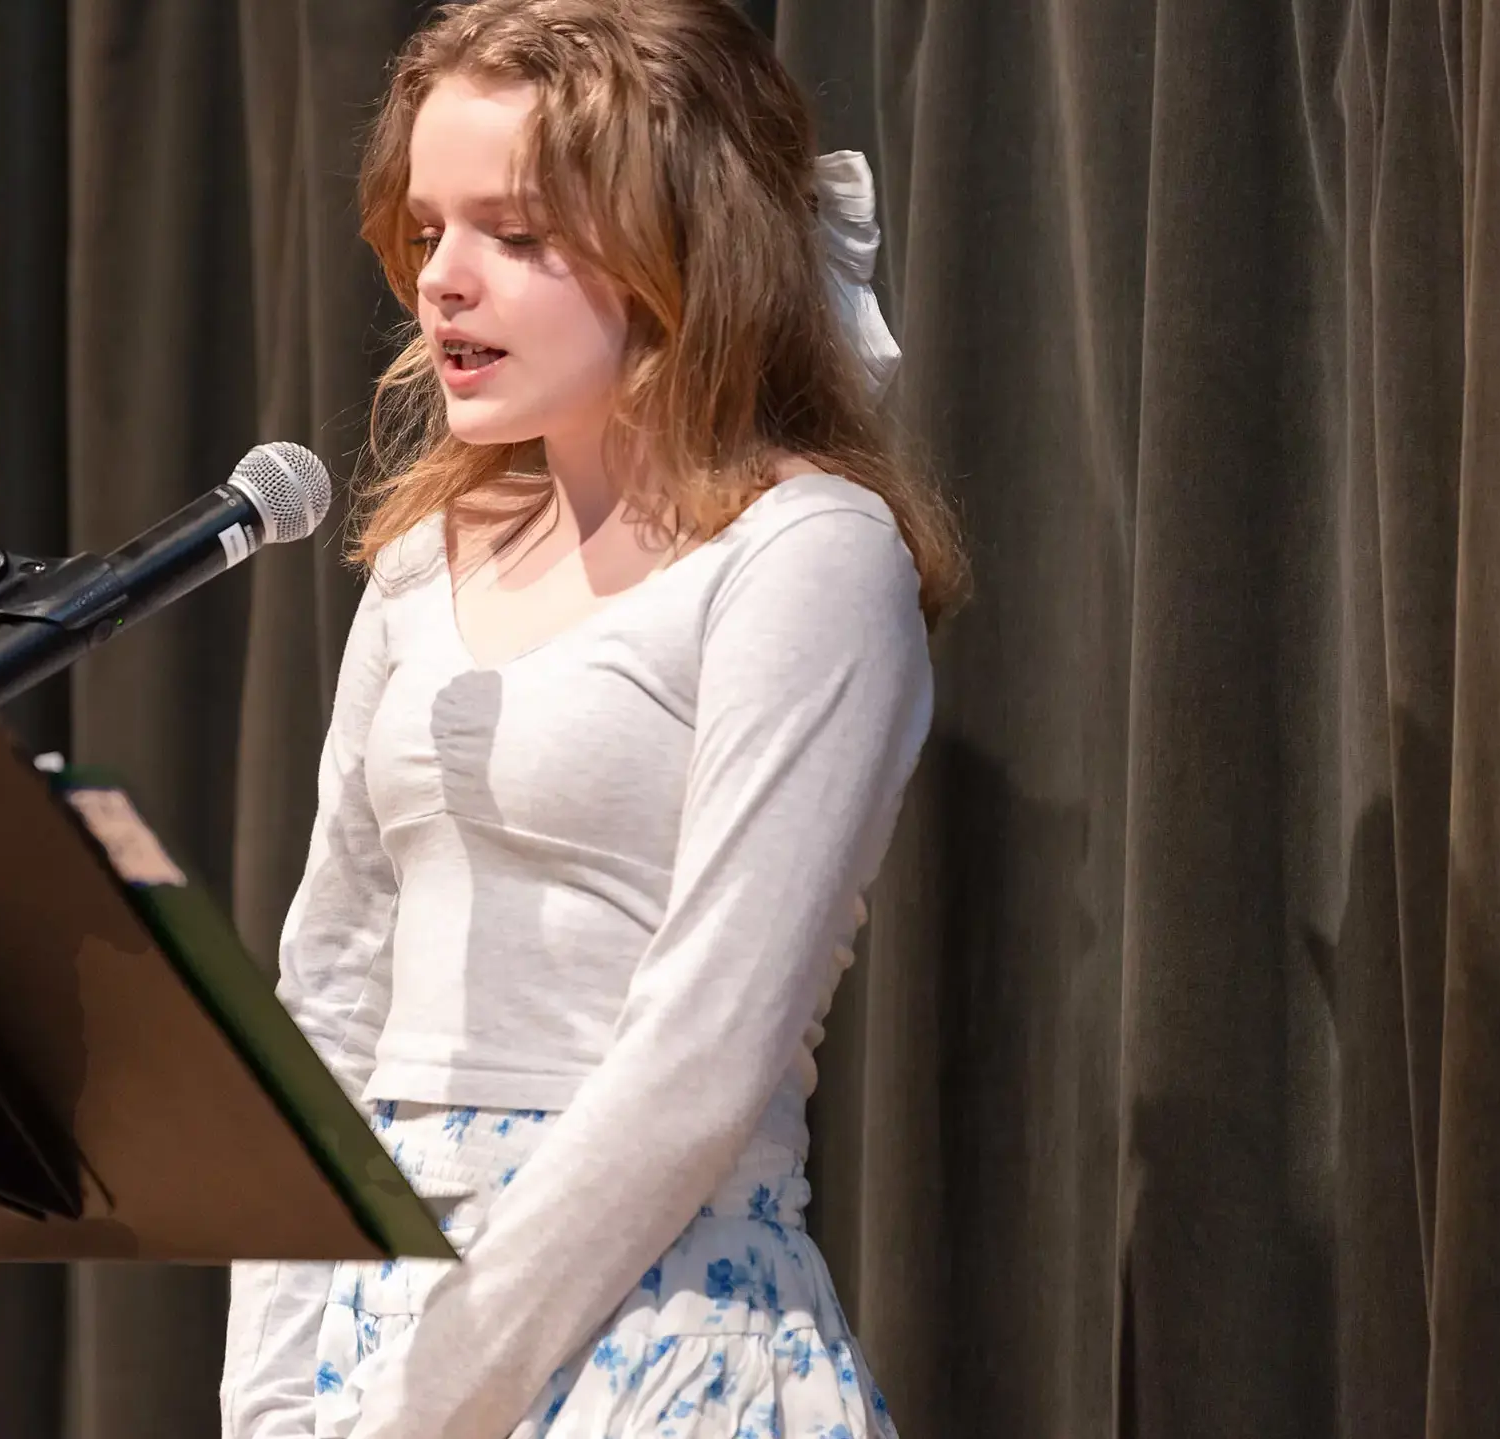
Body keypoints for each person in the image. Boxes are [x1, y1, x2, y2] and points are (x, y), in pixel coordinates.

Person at [221, 2, 967, 1436]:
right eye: (426, 231)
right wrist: (271, 1400)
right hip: (385, 1335)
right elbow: (329, 992)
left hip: (656, 1329)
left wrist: (423, 1406)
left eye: (512, 233)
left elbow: (701, 1061)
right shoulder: (421, 566)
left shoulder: (807, 555)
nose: (443, 280)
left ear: (679, 245)